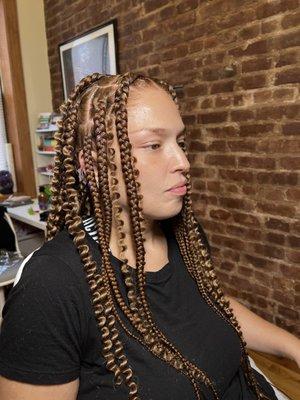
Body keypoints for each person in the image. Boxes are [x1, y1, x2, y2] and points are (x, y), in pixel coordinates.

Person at [0, 72, 299, 400]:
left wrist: (291, 345)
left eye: (180, 143)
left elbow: (210, 302)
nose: (183, 162)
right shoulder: (51, 288)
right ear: (95, 166)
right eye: (154, 145)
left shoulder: (185, 235)